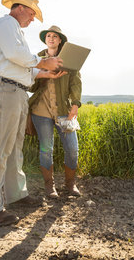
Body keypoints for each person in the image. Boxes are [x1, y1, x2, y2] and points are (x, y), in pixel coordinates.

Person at [0, 0, 64, 226]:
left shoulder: (16, 31)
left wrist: (46, 73)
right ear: (19, 8)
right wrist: (41, 62)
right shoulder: (6, 23)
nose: (32, 20)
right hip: (4, 89)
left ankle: (16, 195)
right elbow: (15, 55)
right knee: (0, 149)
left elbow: (21, 66)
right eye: (31, 14)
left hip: (16, 91)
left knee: (13, 147)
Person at [29, 25, 82, 198]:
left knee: (72, 149)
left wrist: (75, 104)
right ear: (46, 40)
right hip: (40, 111)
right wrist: (43, 71)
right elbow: (30, 86)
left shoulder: (69, 59)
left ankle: (70, 185)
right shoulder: (36, 59)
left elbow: (75, 82)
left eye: (54, 36)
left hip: (64, 111)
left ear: (60, 40)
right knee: (46, 149)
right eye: (48, 36)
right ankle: (49, 187)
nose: (51, 38)